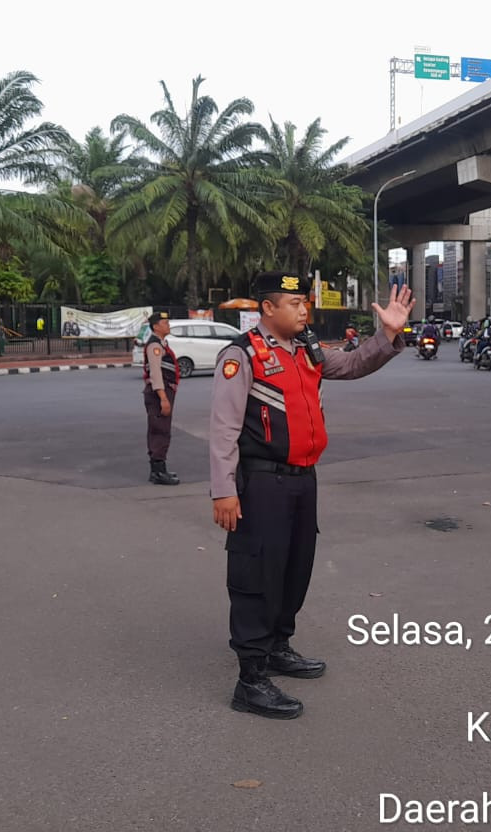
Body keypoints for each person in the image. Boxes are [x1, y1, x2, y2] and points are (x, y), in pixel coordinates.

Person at [209, 273, 413, 719]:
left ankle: (279, 646)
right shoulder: (242, 356)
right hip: (261, 482)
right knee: (257, 575)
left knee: (294, 568)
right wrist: (224, 491)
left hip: (303, 480)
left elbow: (354, 365)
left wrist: (387, 334)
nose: (305, 311)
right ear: (267, 309)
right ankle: (250, 678)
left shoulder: (308, 350)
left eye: (305, 304)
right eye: (294, 303)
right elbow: (224, 429)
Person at [142, 311, 181, 486]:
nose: (168, 325)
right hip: (159, 393)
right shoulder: (154, 345)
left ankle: (160, 469)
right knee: (160, 430)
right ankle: (158, 472)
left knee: (162, 429)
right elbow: (155, 374)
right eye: (164, 322)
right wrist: (163, 398)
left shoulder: (161, 343)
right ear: (156, 326)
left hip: (164, 391)